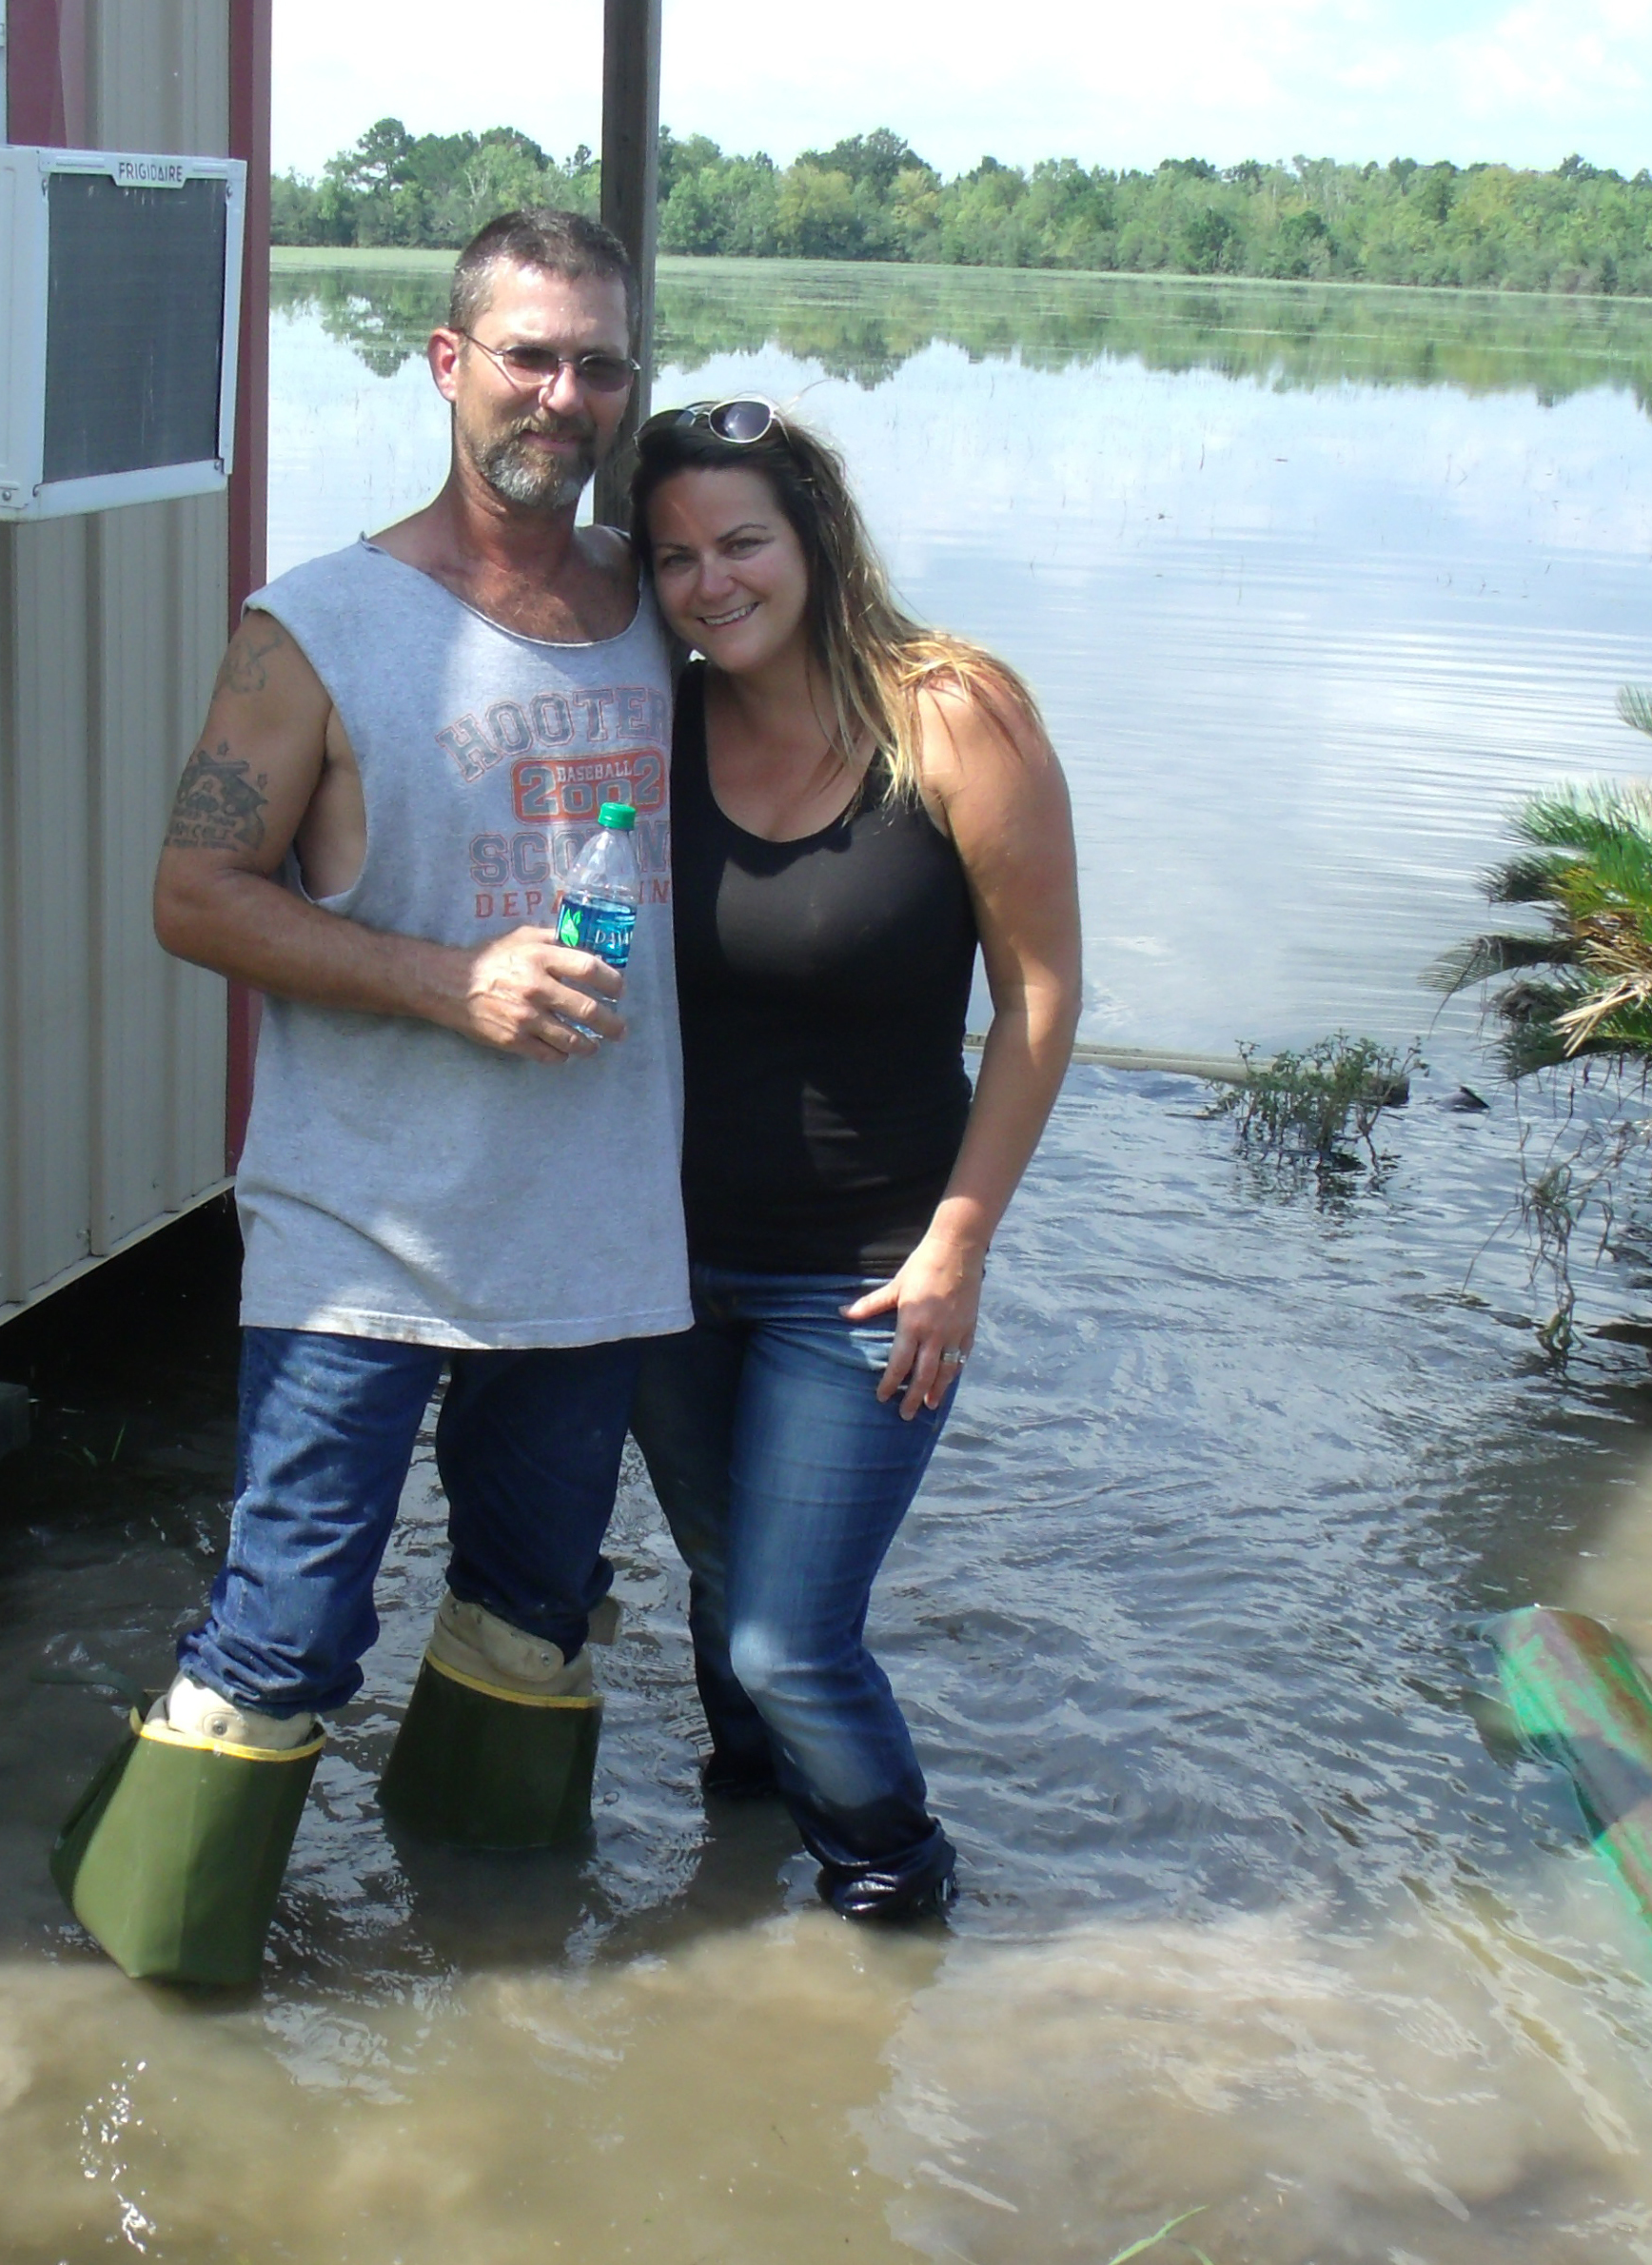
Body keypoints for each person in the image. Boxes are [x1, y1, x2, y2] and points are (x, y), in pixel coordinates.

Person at [54, 209, 682, 1979]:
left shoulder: (675, 607)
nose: (563, 394)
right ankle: (143, 1994)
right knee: (287, 1630)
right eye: (529, 356)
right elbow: (193, 897)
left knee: (537, 1616)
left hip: (593, 1231)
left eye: (600, 364)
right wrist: (446, 978)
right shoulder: (312, 627)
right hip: (360, 1233)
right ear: (446, 363)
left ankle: (487, 1960)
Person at [626, 398, 1083, 1921]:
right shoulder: (655, 718)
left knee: (785, 1639)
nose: (712, 582)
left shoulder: (950, 714)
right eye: (676, 555)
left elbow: (1038, 994)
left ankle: (897, 1884)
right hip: (660, 1266)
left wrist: (959, 1243)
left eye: (742, 540)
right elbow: (590, 927)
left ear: (814, 538)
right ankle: (739, 1880)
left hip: (869, 1275)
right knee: (716, 1599)